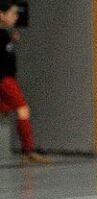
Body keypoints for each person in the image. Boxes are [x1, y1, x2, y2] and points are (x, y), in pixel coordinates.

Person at [0, 1, 48, 163]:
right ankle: (28, 151)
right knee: (23, 109)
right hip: (4, 80)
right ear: (1, 14)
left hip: (8, 79)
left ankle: (27, 151)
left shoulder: (5, 34)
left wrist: (11, 40)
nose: (16, 17)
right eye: (13, 13)